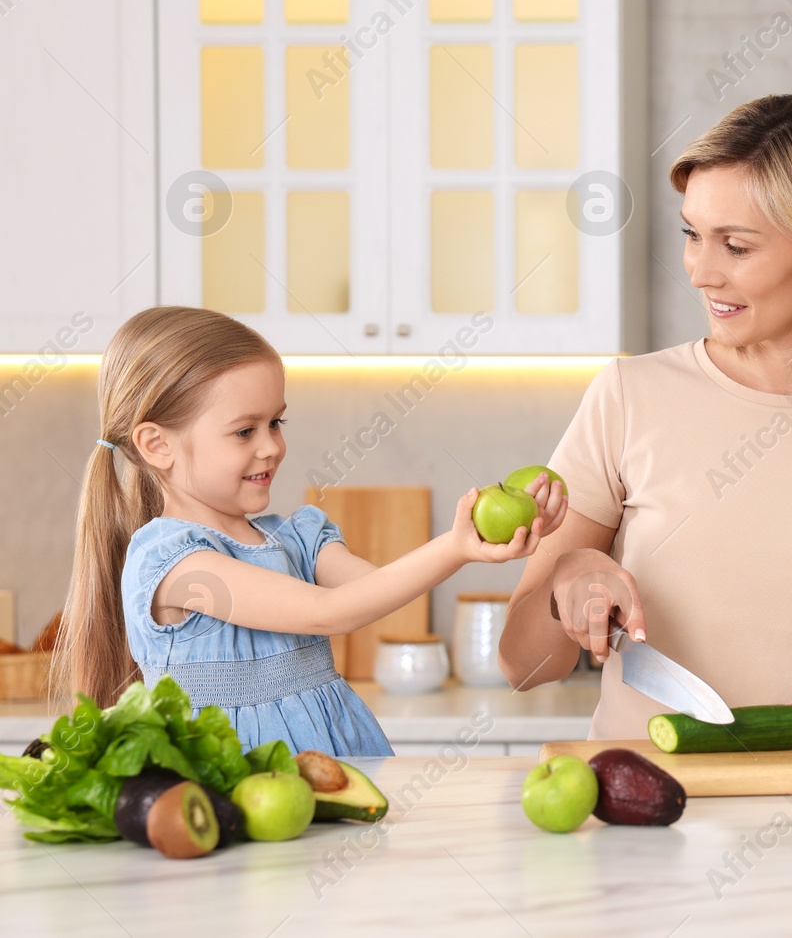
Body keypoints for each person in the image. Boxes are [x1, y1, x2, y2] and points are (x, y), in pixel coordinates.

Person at [498, 94, 792, 747]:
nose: (701, 271)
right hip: (641, 817)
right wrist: (570, 576)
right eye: (692, 235)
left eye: (736, 245)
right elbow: (523, 665)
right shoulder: (626, 396)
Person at [53, 306, 560, 755]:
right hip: (232, 783)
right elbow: (327, 614)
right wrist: (455, 548)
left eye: (277, 423)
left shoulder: (294, 537)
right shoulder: (174, 563)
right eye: (245, 430)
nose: (271, 446)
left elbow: (376, 591)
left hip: (330, 764)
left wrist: (481, 536)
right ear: (157, 445)